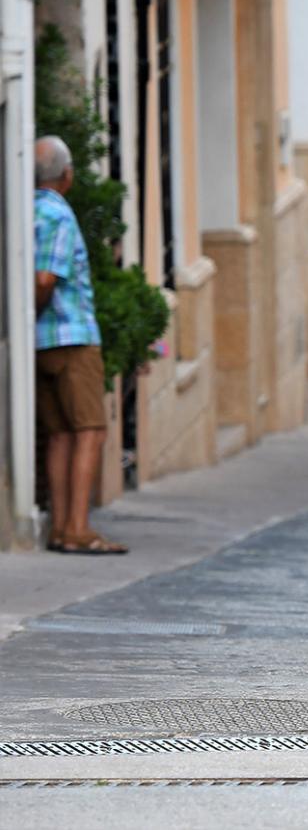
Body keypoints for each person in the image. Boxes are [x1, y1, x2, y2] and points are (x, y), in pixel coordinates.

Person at [33, 135, 125, 555]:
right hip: (71, 337)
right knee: (90, 430)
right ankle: (78, 529)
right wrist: (33, 310)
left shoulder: (25, 210)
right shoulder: (58, 214)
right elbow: (45, 279)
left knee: (59, 435)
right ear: (67, 176)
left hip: (41, 343)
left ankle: (59, 529)